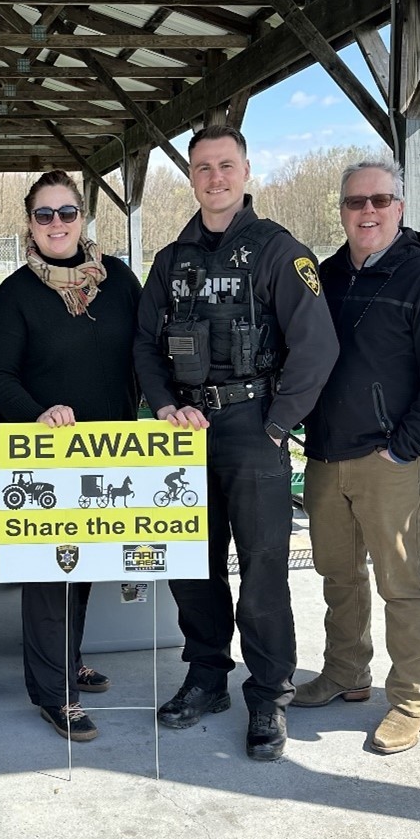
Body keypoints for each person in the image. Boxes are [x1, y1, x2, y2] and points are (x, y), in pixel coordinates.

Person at [134, 124, 338, 762]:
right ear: (191, 178)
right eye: (202, 167)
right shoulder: (171, 259)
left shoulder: (279, 251)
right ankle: (205, 677)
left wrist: (278, 424)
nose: (214, 178)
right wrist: (164, 404)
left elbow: (316, 346)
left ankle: (269, 694)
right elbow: (143, 345)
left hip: (254, 427)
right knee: (192, 567)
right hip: (184, 431)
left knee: (262, 571)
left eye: (226, 165)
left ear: (246, 172)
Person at [295, 159, 420, 754]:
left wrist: (406, 447)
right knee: (338, 575)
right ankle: (346, 671)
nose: (366, 211)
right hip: (326, 456)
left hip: (389, 460)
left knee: (402, 582)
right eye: (355, 202)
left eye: (379, 200)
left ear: (399, 207)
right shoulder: (324, 277)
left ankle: (411, 699)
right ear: (342, 210)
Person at [0, 170, 142, 741]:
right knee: (51, 574)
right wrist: (37, 413)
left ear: (82, 218)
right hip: (47, 457)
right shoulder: (15, 295)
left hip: (107, 450)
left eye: (66, 212)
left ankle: (68, 661)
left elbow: (145, 351)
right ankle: (54, 693)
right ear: (30, 223)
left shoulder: (118, 280)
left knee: (86, 564)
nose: (56, 224)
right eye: (44, 214)